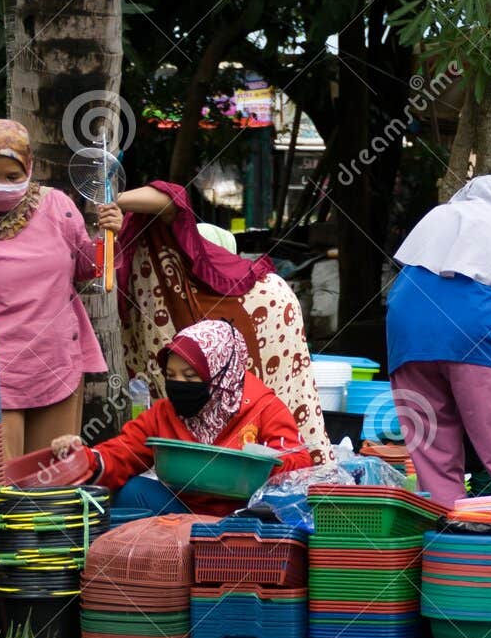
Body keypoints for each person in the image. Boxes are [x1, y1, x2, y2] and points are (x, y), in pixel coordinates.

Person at [0, 119, 116, 460]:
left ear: (29, 168)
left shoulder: (58, 206)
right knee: (2, 487)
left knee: (54, 481)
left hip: (58, 364)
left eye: (12, 177)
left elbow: (88, 269)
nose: (2, 185)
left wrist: (110, 234)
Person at [111, 180, 329, 463]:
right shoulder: (165, 306)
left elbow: (173, 197)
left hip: (272, 328)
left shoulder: (179, 257)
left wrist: (111, 200)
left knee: (273, 424)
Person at [386, 175, 491, 507]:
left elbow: (412, 275)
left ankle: (448, 555)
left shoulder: (439, 215)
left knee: (434, 461)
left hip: (405, 329)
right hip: (472, 328)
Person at [50, 319, 310, 516]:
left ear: (222, 374)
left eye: (189, 376)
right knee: (133, 492)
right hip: (181, 515)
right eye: (171, 375)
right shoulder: (164, 413)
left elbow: (299, 461)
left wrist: (255, 466)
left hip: (244, 517)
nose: (178, 384)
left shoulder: (264, 408)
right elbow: (123, 451)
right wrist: (82, 457)